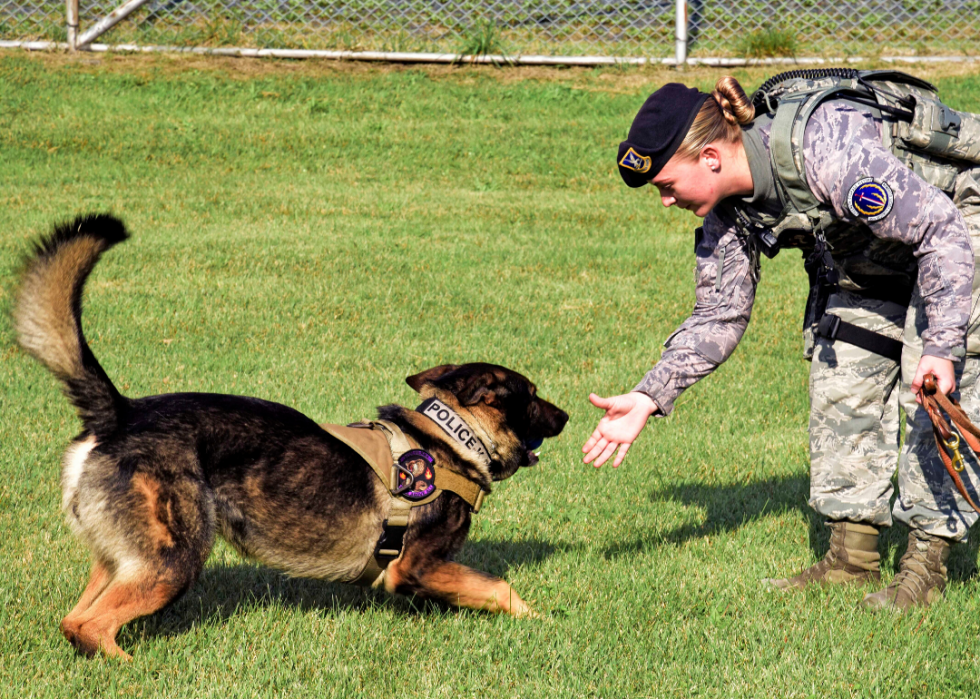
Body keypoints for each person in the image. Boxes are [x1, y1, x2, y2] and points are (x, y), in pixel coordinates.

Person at [582, 74, 980, 610]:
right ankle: (852, 558)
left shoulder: (827, 150)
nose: (665, 201)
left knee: (934, 386)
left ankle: (925, 566)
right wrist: (650, 395)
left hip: (958, 229)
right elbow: (719, 315)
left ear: (710, 159)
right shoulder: (728, 210)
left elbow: (940, 231)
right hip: (876, 255)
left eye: (667, 186)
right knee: (844, 368)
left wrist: (942, 342)